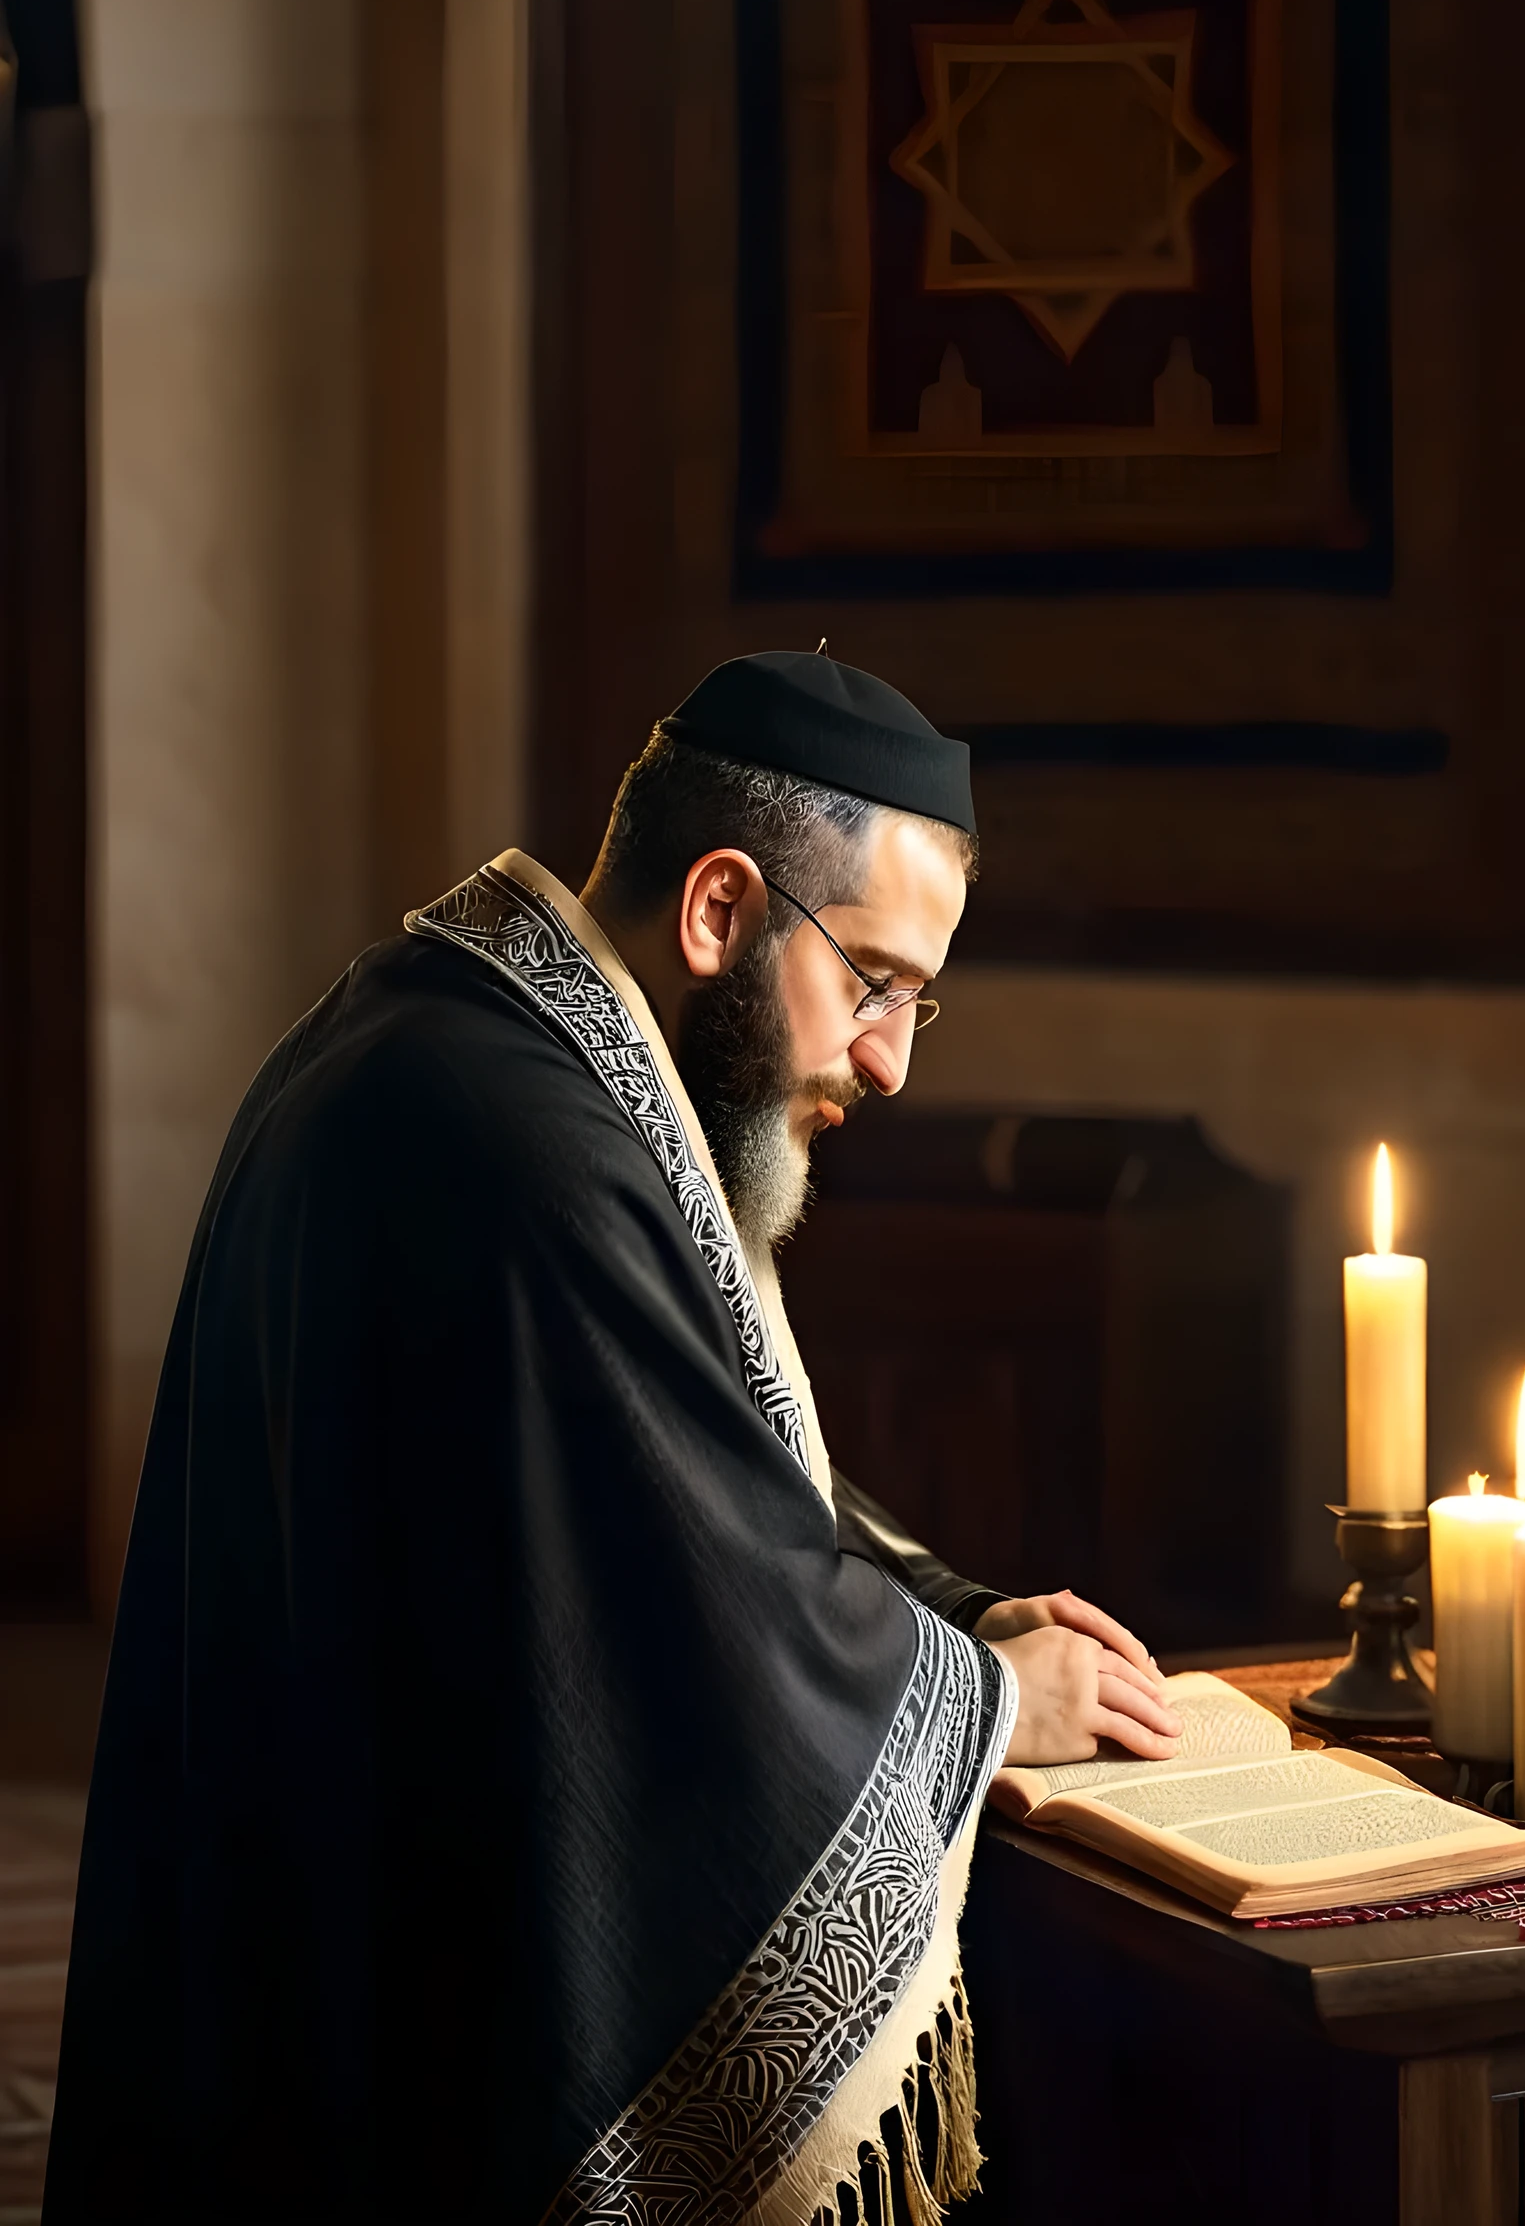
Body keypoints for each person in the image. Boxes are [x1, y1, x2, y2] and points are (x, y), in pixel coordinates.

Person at [46, 649, 1182, 2225]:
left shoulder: (446, 1037)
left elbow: (692, 1479)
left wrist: (956, 1615)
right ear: (719, 911)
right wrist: (984, 1702)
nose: (892, 1062)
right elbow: (693, 1600)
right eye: (870, 982)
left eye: (921, 1002)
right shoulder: (523, 1143)